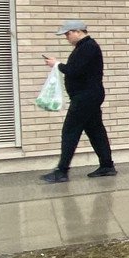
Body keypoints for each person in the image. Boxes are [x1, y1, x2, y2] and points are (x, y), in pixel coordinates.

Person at [41, 19, 115, 182]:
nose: (67, 37)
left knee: (70, 131)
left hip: (85, 97)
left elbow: (75, 71)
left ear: (78, 31)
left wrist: (57, 64)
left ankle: (62, 171)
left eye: (68, 34)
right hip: (89, 96)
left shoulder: (88, 47)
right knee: (95, 130)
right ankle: (107, 165)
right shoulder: (85, 47)